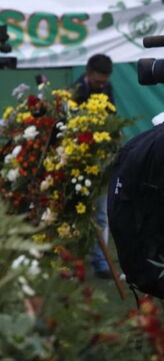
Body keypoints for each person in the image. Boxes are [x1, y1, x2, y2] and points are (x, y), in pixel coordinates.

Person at [71, 53, 114, 279]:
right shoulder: (75, 91)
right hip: (77, 162)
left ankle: (100, 263)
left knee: (100, 214)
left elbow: (112, 120)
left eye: (103, 82)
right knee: (74, 216)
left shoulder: (108, 89)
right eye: (97, 81)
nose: (101, 85)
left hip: (100, 160)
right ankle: (73, 263)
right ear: (87, 74)